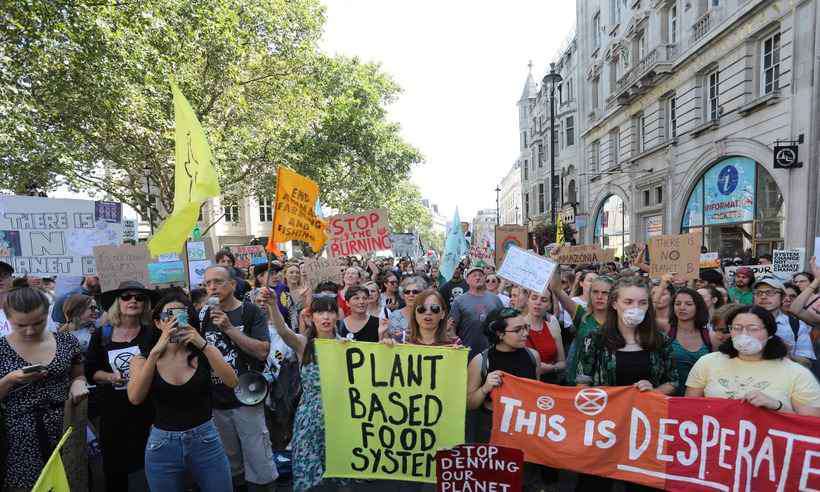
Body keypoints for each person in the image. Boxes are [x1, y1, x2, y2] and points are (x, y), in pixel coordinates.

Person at [574, 277, 677, 491]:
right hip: (604, 429)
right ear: (614, 303)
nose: (635, 308)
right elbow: (582, 382)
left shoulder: (660, 340)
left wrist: (654, 391)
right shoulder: (595, 339)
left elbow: (673, 381)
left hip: (644, 430)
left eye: (642, 303)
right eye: (628, 302)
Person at [128, 292, 237, 492]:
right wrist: (155, 353)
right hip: (163, 445)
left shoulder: (203, 352)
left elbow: (232, 382)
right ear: (157, 323)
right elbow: (135, 398)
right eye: (168, 316)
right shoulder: (142, 359)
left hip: (205, 439)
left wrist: (202, 344)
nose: (174, 322)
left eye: (180, 315)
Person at [0, 287, 88, 491]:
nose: (30, 331)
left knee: (68, 483)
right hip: (21, 438)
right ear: (8, 318)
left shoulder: (67, 341)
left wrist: (78, 383)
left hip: (66, 427)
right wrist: (10, 379)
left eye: (38, 323)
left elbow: (78, 374)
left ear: (47, 314)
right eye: (21, 325)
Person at [201, 266, 277, 491]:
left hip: (247, 398)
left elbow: (262, 351)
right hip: (217, 401)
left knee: (259, 462)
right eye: (207, 283)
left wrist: (229, 328)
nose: (212, 287)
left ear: (233, 285)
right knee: (229, 465)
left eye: (218, 282)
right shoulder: (203, 314)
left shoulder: (250, 311)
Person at [263, 291, 346, 492]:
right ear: (311, 317)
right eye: (320, 312)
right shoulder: (303, 344)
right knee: (307, 474)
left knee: (339, 474)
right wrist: (273, 305)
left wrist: (386, 342)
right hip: (309, 418)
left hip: (339, 417)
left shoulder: (346, 345)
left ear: (337, 316)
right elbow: (283, 331)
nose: (326, 317)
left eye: (330, 312)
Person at [86, 280, 157, 490]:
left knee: (147, 466)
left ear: (145, 304)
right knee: (115, 469)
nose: (133, 301)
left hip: (147, 411)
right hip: (113, 413)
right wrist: (110, 377)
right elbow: (90, 371)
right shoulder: (102, 335)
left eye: (139, 298)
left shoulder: (153, 334)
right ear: (118, 302)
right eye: (126, 297)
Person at [686, 305, 820, 416]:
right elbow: (688, 409)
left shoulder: (796, 373)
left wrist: (777, 406)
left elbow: (809, 425)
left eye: (753, 329)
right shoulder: (708, 362)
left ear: (770, 333)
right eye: (737, 328)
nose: (744, 335)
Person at [465, 308, 545, 489]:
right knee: (493, 481)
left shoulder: (533, 356)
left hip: (525, 430)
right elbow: (469, 404)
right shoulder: (480, 361)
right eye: (518, 330)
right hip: (491, 430)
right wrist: (485, 388)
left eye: (526, 327)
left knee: (523, 482)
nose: (525, 333)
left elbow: (538, 396)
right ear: (500, 334)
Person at [551, 273, 613, 385]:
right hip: (578, 383)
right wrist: (556, 265)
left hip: (607, 385)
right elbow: (556, 289)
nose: (599, 297)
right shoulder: (581, 315)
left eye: (605, 293)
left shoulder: (620, 323)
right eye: (595, 292)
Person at [751, 275, 816, 364]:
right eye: (758, 293)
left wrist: (786, 354)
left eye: (770, 292)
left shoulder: (797, 325)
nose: (763, 296)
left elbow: (807, 363)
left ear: (782, 297)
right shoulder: (741, 322)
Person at [449, 266, 504, 359]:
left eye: (480, 275)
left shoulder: (495, 299)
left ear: (484, 278)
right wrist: (456, 344)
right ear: (467, 280)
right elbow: (451, 327)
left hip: (492, 353)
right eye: (474, 275)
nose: (478, 277)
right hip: (467, 352)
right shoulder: (459, 301)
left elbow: (503, 323)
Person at [667, 288, 712, 396]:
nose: (682, 307)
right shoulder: (666, 333)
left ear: (698, 307)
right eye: (678, 304)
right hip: (669, 398)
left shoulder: (709, 336)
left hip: (700, 399)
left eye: (688, 304)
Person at [525, 292, 566, 383]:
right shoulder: (517, 327)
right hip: (524, 382)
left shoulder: (553, 328)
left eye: (544, 300)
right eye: (534, 298)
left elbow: (562, 362)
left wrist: (552, 368)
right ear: (528, 300)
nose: (538, 302)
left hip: (548, 383)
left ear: (549, 305)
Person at [383, 276, 427, 343]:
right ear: (403, 295)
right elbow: (388, 339)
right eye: (407, 292)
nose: (411, 294)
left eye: (415, 292)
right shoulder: (394, 315)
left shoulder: (428, 314)